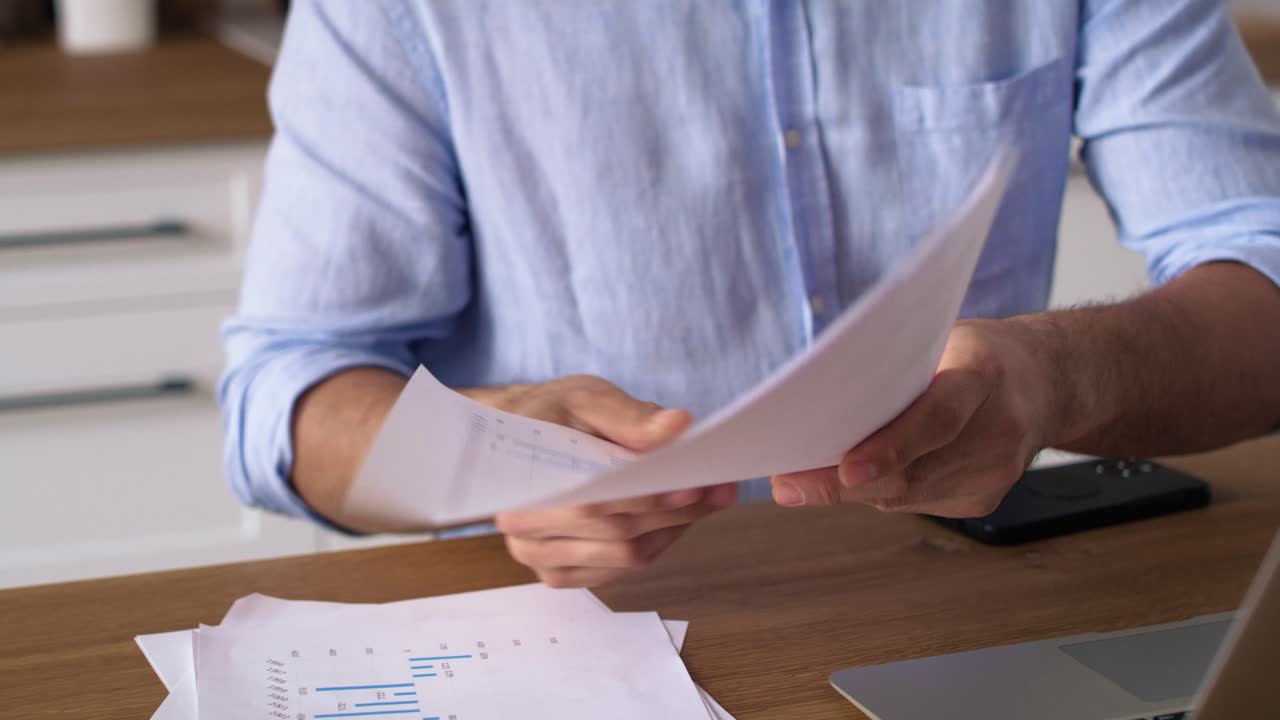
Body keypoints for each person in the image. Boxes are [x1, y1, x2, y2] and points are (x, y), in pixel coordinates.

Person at [220, 1, 1280, 588]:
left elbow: (1262, 277)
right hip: (576, 638)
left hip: (958, 600)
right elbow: (284, 399)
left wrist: (1061, 376)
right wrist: (484, 450)